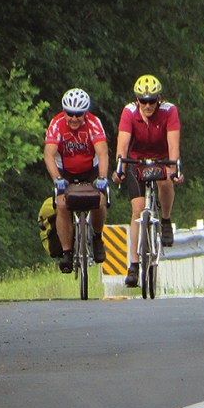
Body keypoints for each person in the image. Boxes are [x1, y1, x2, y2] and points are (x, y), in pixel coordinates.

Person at [112, 74, 183, 288]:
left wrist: (174, 168)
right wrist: (120, 168)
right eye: (143, 101)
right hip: (137, 161)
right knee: (137, 210)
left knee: (165, 181)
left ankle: (166, 220)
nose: (148, 105)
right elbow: (122, 145)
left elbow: (173, 145)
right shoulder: (129, 112)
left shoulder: (169, 111)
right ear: (137, 100)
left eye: (152, 101)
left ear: (159, 99)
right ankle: (133, 265)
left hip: (161, 159)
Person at [44, 88, 111, 272]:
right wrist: (57, 178)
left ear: (85, 113)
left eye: (79, 114)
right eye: (70, 114)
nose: (74, 119)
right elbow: (49, 154)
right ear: (64, 111)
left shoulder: (94, 123)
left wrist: (103, 178)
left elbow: (102, 152)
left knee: (100, 201)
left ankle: (97, 238)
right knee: (62, 205)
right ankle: (67, 252)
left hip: (90, 169)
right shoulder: (57, 124)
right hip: (65, 170)